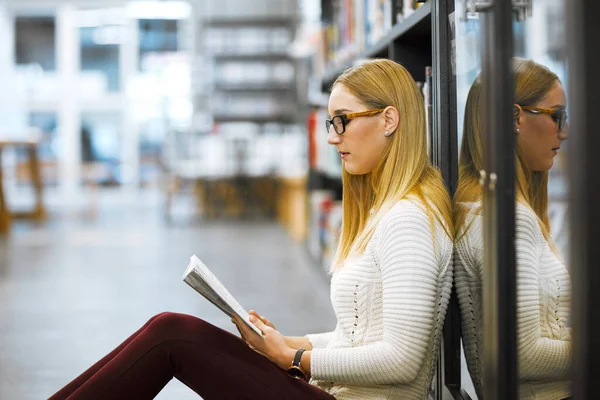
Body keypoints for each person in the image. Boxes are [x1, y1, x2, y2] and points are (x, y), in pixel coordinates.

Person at [49, 59, 454, 400]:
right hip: (335, 391)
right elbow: (359, 338)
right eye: (331, 123)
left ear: (389, 120)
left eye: (342, 121)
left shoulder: (408, 218)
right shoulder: (388, 211)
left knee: (172, 333)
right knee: (167, 329)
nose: (332, 138)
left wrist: (292, 360)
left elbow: (402, 359)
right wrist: (287, 343)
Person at [454, 58, 571, 400]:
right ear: (515, 118)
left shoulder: (479, 206)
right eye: (557, 116)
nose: (563, 131)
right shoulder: (507, 218)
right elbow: (524, 356)